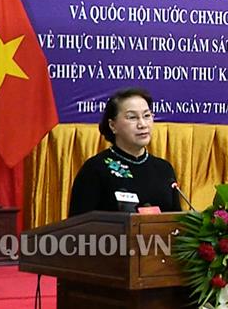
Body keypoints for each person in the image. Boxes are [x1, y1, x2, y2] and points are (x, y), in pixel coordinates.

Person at [68, 87, 181, 216]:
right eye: (132, 117)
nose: (142, 124)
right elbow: (79, 223)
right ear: (113, 125)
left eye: (147, 116)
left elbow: (177, 222)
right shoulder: (95, 169)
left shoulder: (164, 170)